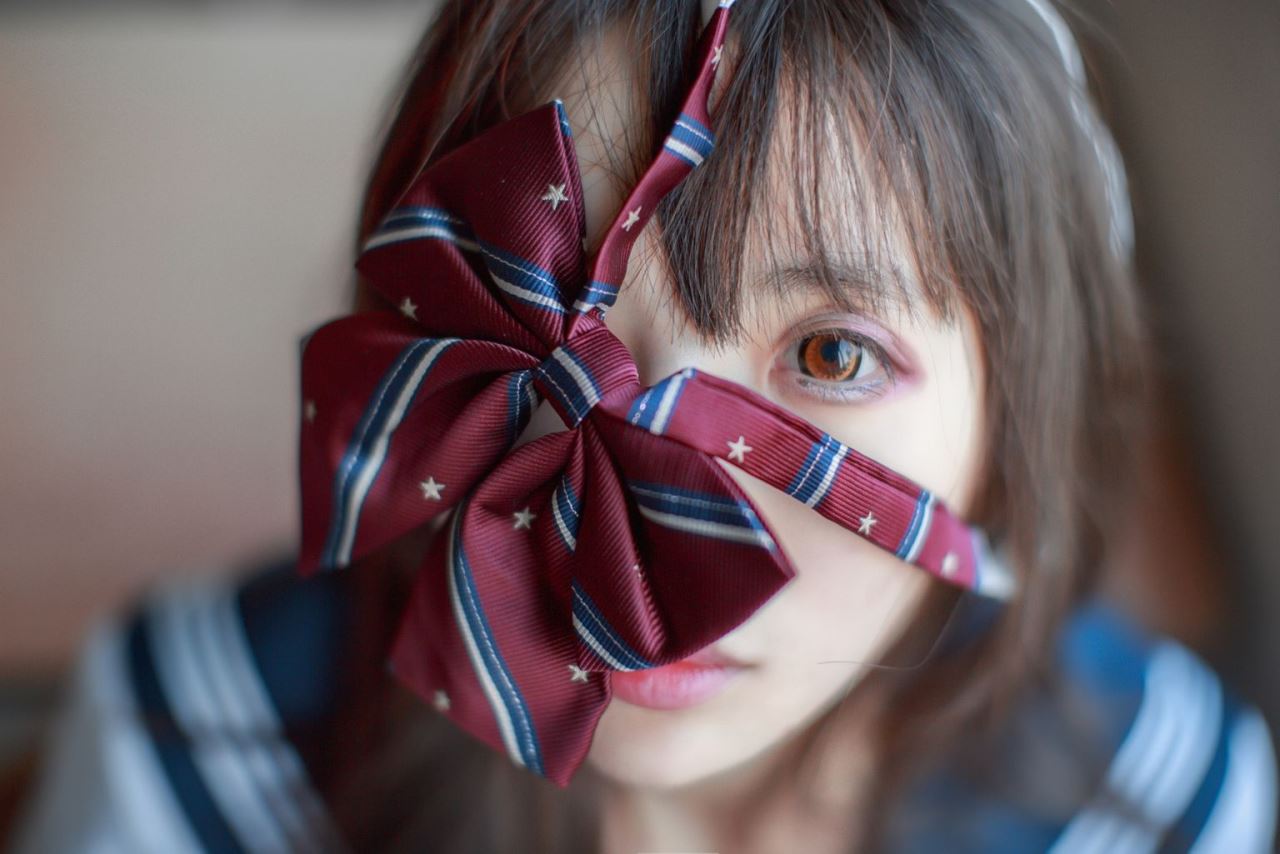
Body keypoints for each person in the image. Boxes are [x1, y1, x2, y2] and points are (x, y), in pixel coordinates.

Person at [9, 0, 1278, 851]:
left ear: (1015, 421)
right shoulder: (190, 752)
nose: (638, 560)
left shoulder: (1159, 806)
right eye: (536, 308)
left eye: (830, 354)